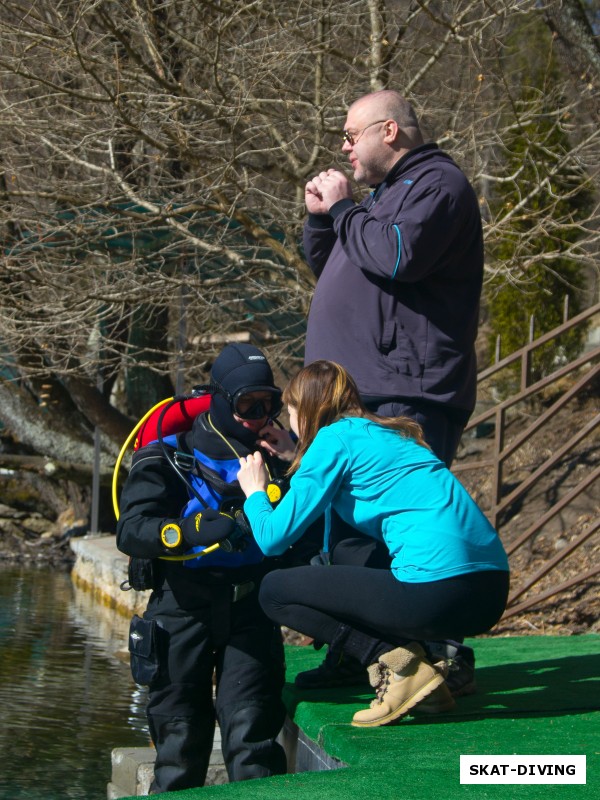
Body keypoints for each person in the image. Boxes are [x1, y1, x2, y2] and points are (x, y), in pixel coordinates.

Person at [301, 89, 485, 690]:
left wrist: (346, 209)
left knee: (401, 534)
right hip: (364, 394)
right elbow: (335, 261)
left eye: (352, 135)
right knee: (352, 532)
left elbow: (396, 256)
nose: (344, 146)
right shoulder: (385, 197)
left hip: (406, 392)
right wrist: (320, 216)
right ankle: (369, 656)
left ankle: (435, 655)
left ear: (391, 132)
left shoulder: (438, 186)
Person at [237, 360, 509, 727]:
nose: (291, 422)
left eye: (290, 412)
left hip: (436, 592)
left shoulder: (332, 439)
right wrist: (294, 456)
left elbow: (272, 539)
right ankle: (431, 681)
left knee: (274, 590)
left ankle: (399, 667)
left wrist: (254, 493)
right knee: (358, 555)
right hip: (489, 593)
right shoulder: (389, 434)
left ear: (308, 409)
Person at [116, 343, 289, 793]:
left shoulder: (275, 457)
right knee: (179, 746)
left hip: (250, 610)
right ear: (219, 399)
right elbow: (131, 530)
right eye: (246, 404)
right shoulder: (166, 458)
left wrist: (292, 462)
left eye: (268, 404)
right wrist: (184, 531)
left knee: (252, 740)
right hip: (181, 606)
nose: (258, 416)